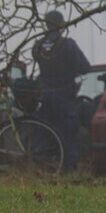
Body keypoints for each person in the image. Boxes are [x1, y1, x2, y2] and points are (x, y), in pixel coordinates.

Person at [32, 9, 91, 170]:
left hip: (45, 95)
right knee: (68, 132)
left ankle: (38, 166)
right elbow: (85, 67)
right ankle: (69, 168)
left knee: (43, 131)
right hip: (64, 95)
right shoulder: (68, 45)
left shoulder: (37, 46)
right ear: (62, 26)